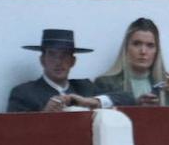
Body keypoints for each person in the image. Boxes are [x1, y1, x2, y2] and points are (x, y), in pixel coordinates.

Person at [7, 29, 135, 113]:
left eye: (65, 55)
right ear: (42, 59)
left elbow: (128, 98)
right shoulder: (24, 93)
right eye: (52, 54)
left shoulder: (84, 87)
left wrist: (91, 101)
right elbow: (13, 132)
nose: (59, 61)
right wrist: (44, 115)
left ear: (73, 61)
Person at [94, 18, 169, 107]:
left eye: (150, 45)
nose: (143, 51)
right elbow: (102, 119)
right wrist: (135, 106)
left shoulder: (165, 83)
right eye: (137, 44)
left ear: (157, 51)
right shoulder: (105, 83)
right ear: (126, 48)